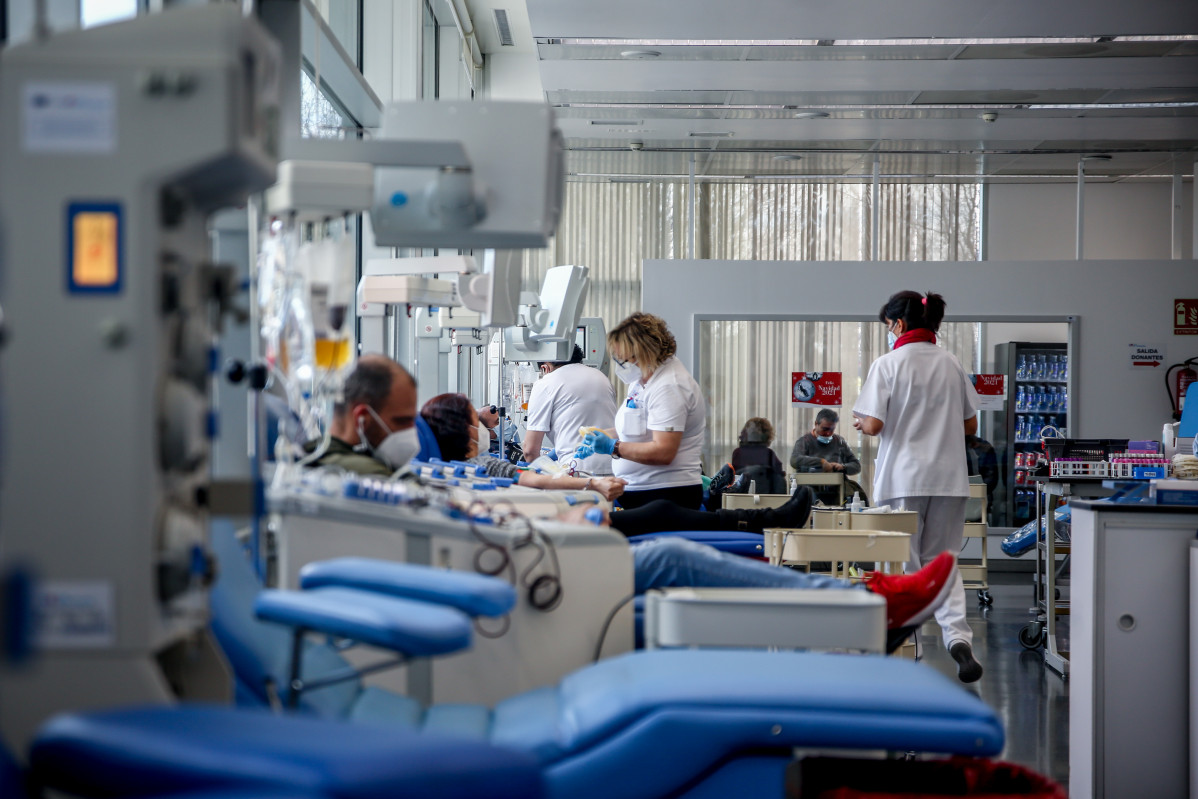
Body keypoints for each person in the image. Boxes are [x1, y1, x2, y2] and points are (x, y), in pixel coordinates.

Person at [307, 371, 958, 648]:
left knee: (670, 546)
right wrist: (561, 510)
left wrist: (562, 506)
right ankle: (861, 607)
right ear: (362, 419)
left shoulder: (384, 468)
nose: (409, 434)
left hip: (525, 564)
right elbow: (453, 513)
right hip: (513, 588)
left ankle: (855, 607)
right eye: (398, 421)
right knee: (671, 541)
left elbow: (462, 500)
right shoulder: (353, 480)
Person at [852, 290, 984, 683]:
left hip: (903, 478)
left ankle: (912, 652)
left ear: (898, 324)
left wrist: (861, 421)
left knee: (905, 563)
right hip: (948, 478)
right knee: (943, 562)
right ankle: (959, 639)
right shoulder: (951, 363)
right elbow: (970, 426)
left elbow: (873, 424)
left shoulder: (889, 363)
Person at [576, 313, 706, 510]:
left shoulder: (669, 386)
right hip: (640, 492)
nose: (620, 363)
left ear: (643, 353)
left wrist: (613, 447)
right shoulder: (641, 381)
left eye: (624, 358)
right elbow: (637, 429)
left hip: (666, 495)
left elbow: (664, 452)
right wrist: (602, 435)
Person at [421, 393, 627, 501]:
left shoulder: (439, 468)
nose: (481, 427)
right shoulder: (480, 464)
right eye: (477, 421)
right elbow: (533, 479)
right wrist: (593, 483)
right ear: (464, 430)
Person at [302, 354, 420, 477]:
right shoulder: (372, 475)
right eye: (402, 421)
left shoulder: (314, 454)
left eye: (413, 421)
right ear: (362, 418)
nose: (412, 430)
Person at [521, 345, 618, 475]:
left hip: (578, 470)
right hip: (614, 467)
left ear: (545, 368)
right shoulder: (602, 378)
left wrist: (537, 474)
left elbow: (529, 450)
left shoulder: (545, 383)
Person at [790, 409, 866, 506]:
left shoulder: (839, 442)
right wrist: (821, 462)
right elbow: (794, 460)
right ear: (816, 424)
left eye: (832, 430)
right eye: (825, 429)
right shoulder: (804, 442)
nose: (828, 433)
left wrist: (843, 467)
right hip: (812, 492)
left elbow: (856, 466)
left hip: (836, 492)